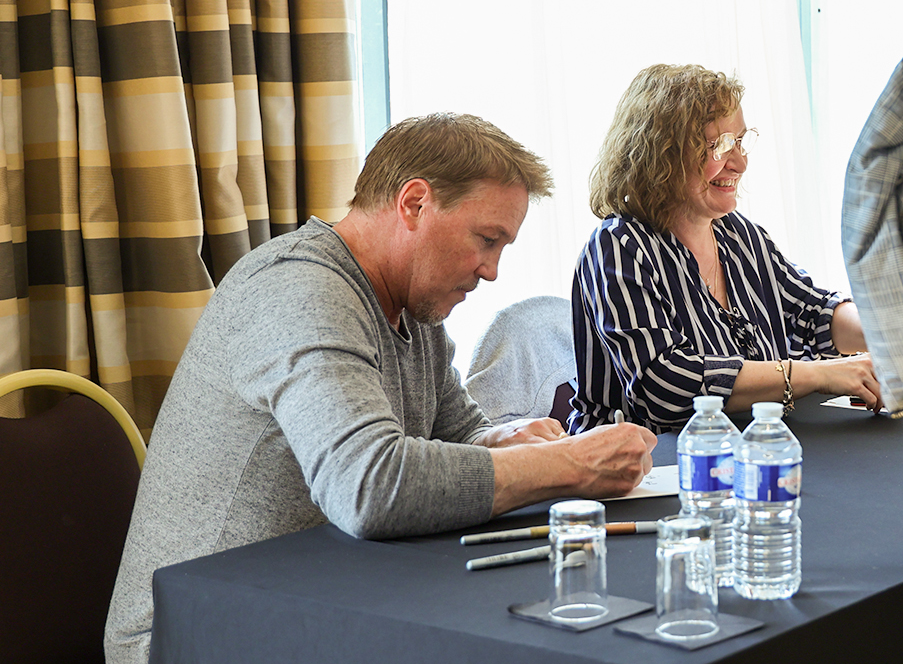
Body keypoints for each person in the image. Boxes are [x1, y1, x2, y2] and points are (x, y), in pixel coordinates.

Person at [104, 113, 656, 664]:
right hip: (195, 634)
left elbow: (459, 432)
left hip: (321, 599)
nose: (491, 271)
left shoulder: (416, 310)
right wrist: (569, 467)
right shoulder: (297, 289)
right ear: (414, 203)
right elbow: (368, 485)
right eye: (486, 240)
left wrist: (509, 438)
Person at [568, 63, 881, 434]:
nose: (741, 163)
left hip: (745, 445)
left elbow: (811, 314)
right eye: (718, 145)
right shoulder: (618, 246)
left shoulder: (739, 234)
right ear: (660, 155)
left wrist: (892, 335)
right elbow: (666, 387)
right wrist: (816, 374)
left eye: (741, 141)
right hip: (643, 469)